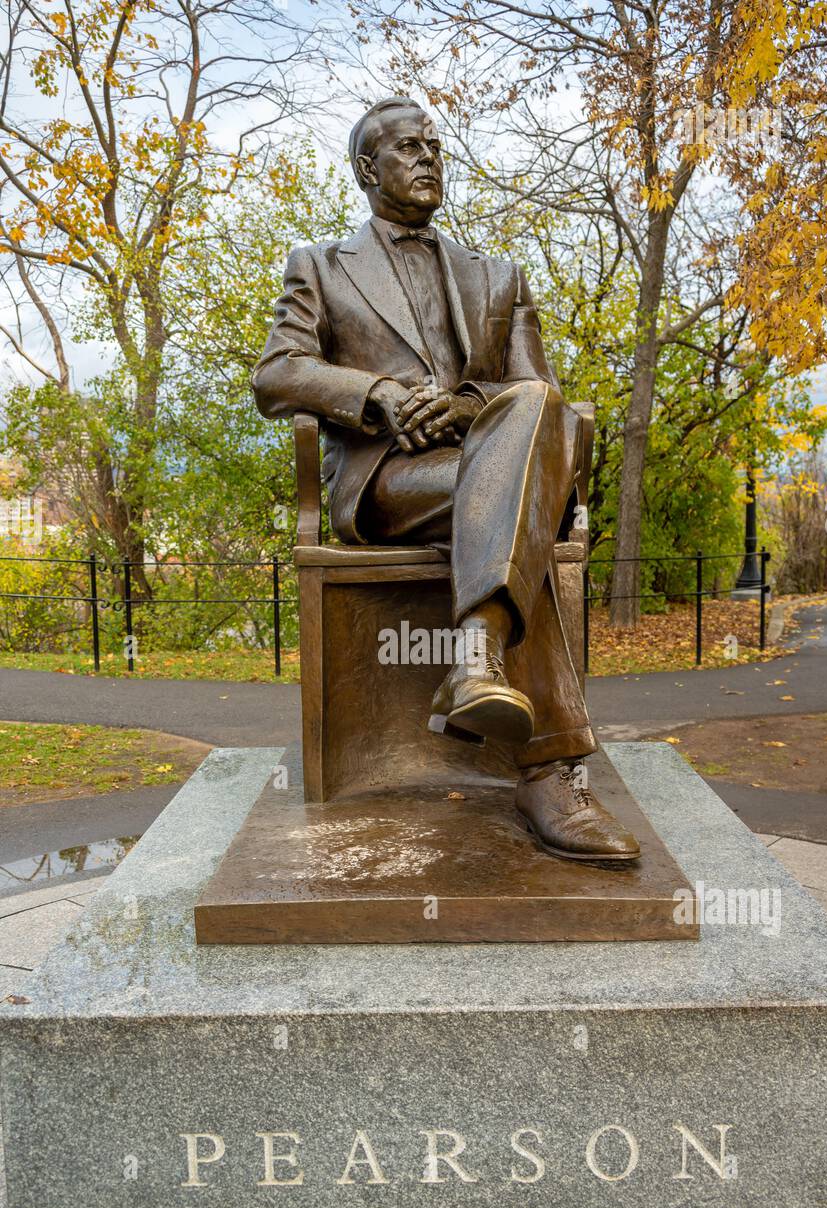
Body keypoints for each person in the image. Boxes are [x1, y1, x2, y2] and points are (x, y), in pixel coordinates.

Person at [253, 97, 639, 861]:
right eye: (406, 148)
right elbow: (276, 375)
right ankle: (550, 771)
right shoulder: (321, 266)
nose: (429, 157)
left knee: (533, 414)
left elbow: (540, 397)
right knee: (517, 496)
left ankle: (478, 660)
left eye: (435, 145)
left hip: (481, 469)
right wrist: (379, 397)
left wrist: (466, 411)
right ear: (367, 171)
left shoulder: (497, 275)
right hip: (390, 482)